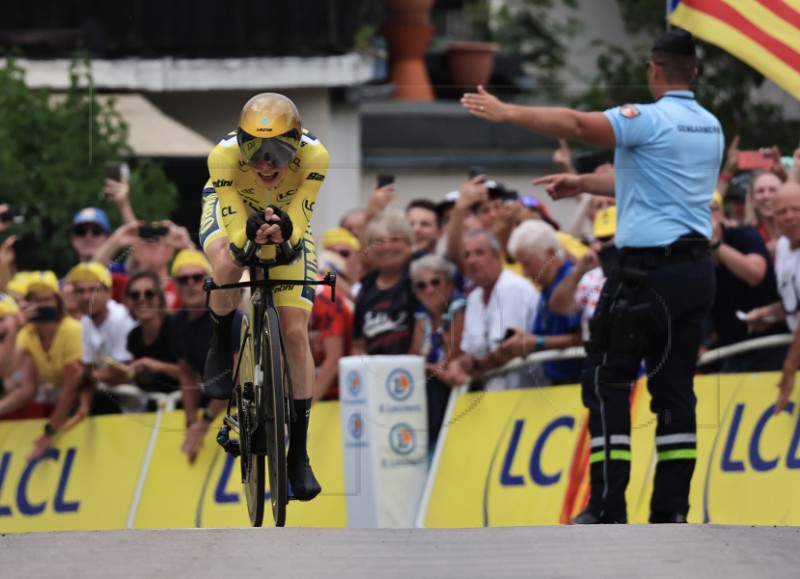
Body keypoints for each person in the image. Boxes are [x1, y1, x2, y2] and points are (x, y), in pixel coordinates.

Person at [463, 29, 721, 524]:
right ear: (695, 72)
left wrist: (508, 112)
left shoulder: (647, 119)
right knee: (674, 390)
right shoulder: (709, 127)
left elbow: (579, 124)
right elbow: (649, 177)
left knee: (606, 377)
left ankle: (607, 506)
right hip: (695, 271)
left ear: (652, 70)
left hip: (648, 273)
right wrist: (583, 182)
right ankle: (672, 511)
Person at [199, 92, 329, 500]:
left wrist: (284, 233)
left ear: (298, 143)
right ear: (240, 143)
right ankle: (220, 343)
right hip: (233, 212)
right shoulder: (221, 158)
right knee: (227, 262)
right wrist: (248, 236)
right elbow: (235, 225)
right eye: (255, 149)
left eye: (278, 150)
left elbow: (303, 215)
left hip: (288, 217)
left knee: (294, 332)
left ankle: (300, 452)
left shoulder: (316, 157)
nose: (267, 163)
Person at [0, 272, 85, 462]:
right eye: (36, 300)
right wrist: (15, 327)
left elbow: (72, 387)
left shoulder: (71, 330)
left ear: (58, 302)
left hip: (89, 400)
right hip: (69, 402)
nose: (42, 305)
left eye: (48, 299)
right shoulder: (29, 334)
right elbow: (7, 372)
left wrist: (49, 432)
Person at [703, 192, 787, 372]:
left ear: (721, 213)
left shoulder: (743, 234)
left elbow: (755, 274)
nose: (707, 217)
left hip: (772, 346)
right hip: (731, 351)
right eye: (700, 212)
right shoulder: (688, 250)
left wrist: (715, 244)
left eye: (712, 210)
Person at [169, 249, 240, 463]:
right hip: (220, 402)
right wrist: (191, 421)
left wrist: (205, 420)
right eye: (183, 279)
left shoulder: (229, 317)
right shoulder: (176, 323)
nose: (190, 283)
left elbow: (237, 375)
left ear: (208, 281)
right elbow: (187, 373)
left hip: (247, 398)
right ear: (176, 285)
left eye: (197, 277)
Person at [450, 229, 539, 391]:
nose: (472, 260)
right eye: (467, 255)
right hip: (492, 394)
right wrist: (460, 364)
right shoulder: (474, 297)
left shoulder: (512, 287)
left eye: (479, 253)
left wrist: (476, 367)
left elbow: (506, 351)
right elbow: (470, 351)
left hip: (524, 391)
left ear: (497, 256)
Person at [499, 220, 583, 386]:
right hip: (563, 386)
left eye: (527, 263)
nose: (524, 273)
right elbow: (541, 338)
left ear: (550, 253)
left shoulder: (573, 281)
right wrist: (524, 340)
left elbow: (586, 338)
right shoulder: (547, 287)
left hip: (579, 385)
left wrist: (534, 343)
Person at [745, 181, 800, 413]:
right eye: (782, 211)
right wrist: (768, 314)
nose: (789, 216)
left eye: (796, 209)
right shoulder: (783, 249)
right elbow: (793, 305)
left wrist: (790, 363)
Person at [409, 253, 466, 452]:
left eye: (435, 282)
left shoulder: (459, 309)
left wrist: (425, 367)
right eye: (421, 285)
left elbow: (453, 359)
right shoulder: (422, 315)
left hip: (455, 395)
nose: (429, 289)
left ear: (449, 284)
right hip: (431, 393)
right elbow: (413, 358)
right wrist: (431, 368)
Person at [67, 262, 137, 415]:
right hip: (113, 400)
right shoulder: (86, 320)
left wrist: (85, 375)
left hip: (135, 406)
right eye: (80, 291)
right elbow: (88, 366)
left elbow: (124, 374)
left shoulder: (120, 318)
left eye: (94, 290)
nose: (86, 297)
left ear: (109, 293)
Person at [352, 210, 419, 356]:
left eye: (395, 239)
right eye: (379, 241)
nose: (387, 247)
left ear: (410, 244)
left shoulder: (421, 280)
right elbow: (358, 344)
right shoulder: (365, 288)